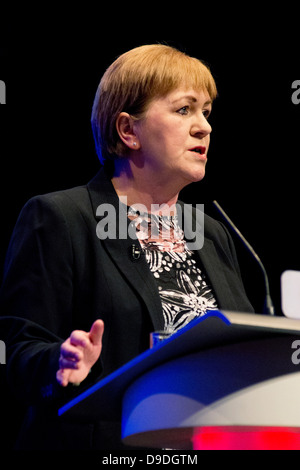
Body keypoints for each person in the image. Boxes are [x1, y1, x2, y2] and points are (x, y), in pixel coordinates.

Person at [0, 44, 254, 450]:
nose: (205, 126)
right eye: (184, 109)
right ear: (128, 130)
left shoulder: (212, 232)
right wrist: (61, 362)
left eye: (206, 111)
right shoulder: (61, 218)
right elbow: (19, 354)